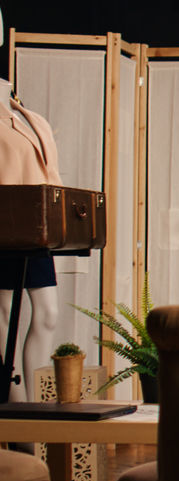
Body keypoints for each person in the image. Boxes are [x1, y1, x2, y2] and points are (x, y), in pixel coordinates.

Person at [1, 76, 61, 403]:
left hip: (38, 227)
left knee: (47, 313)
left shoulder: (31, 118)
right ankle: (19, 416)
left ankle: (35, 412)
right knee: (5, 319)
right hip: (5, 226)